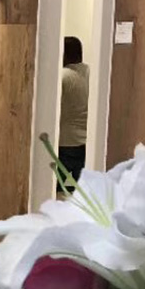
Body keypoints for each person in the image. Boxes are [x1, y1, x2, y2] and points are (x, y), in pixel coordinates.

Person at [59, 35, 90, 183]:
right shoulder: (90, 72)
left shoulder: (63, 76)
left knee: (55, 187)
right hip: (85, 142)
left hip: (65, 141)